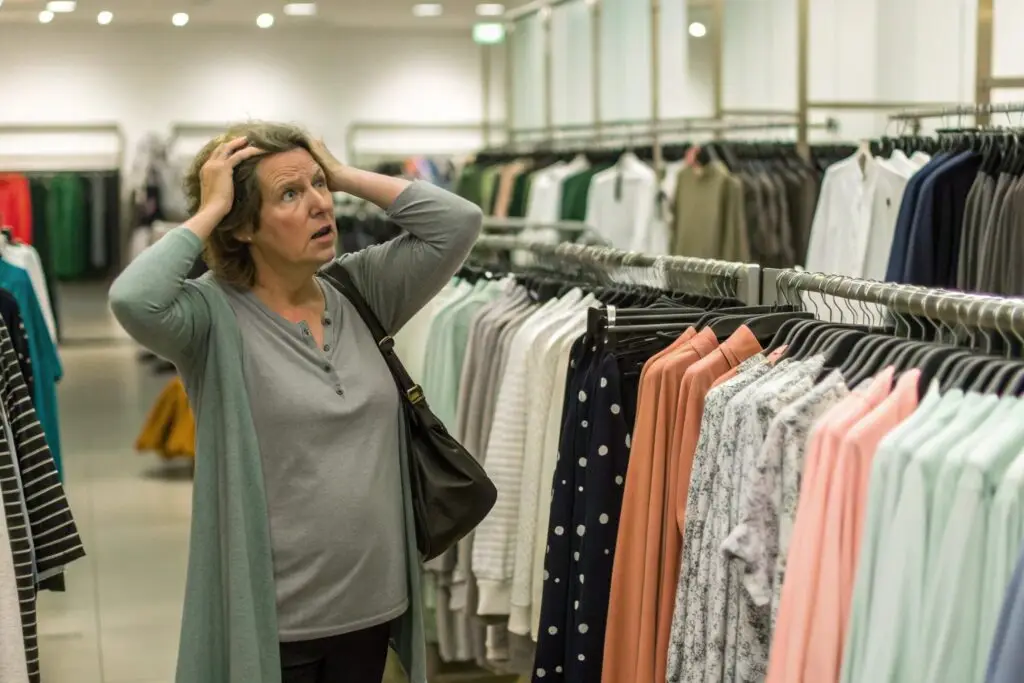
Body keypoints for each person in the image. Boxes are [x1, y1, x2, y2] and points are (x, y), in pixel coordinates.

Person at [109, 122, 482, 683]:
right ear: (242, 227)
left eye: (318, 187)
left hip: (375, 604)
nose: (319, 205)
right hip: (277, 622)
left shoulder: (361, 290)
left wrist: (340, 173)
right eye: (290, 194)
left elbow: (458, 223)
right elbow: (132, 298)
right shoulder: (211, 317)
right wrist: (210, 209)